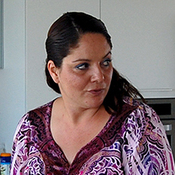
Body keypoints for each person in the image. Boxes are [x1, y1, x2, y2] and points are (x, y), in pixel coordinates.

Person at [10, 12, 175, 175]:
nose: (99, 76)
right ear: (54, 71)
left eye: (105, 62)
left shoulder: (137, 122)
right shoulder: (29, 128)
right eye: (83, 66)